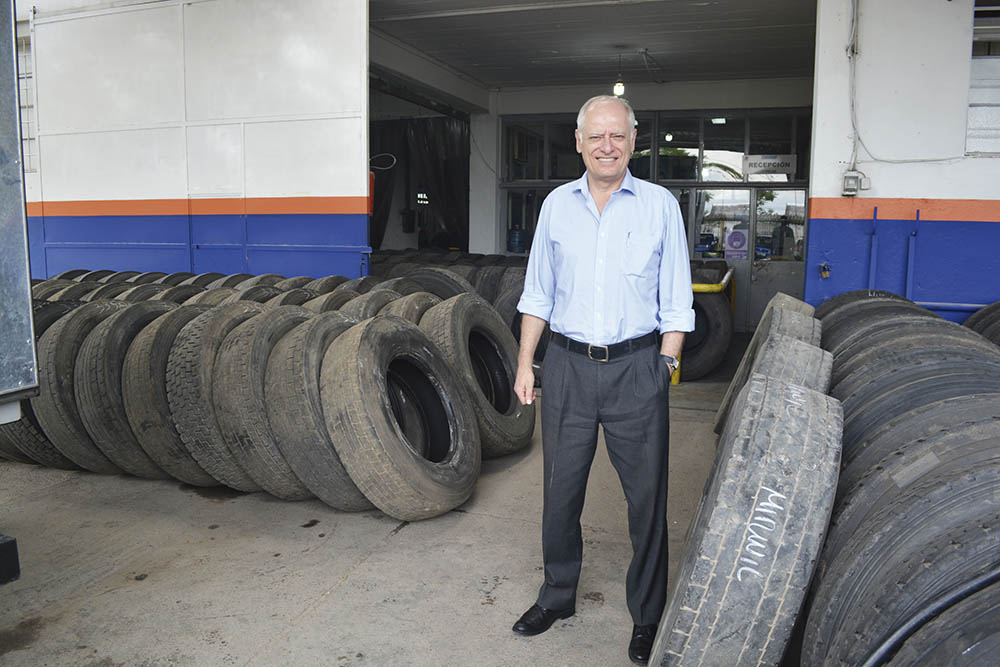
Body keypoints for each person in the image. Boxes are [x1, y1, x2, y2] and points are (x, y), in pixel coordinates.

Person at [511, 94, 694, 665]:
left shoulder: (660, 205)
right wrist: (525, 362)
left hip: (637, 368)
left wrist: (665, 365)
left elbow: (677, 299)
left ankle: (646, 613)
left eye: (617, 135)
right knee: (560, 493)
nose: (607, 146)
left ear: (633, 140)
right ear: (579, 141)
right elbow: (538, 291)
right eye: (596, 137)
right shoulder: (555, 207)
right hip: (565, 367)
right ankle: (558, 595)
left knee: (646, 499)